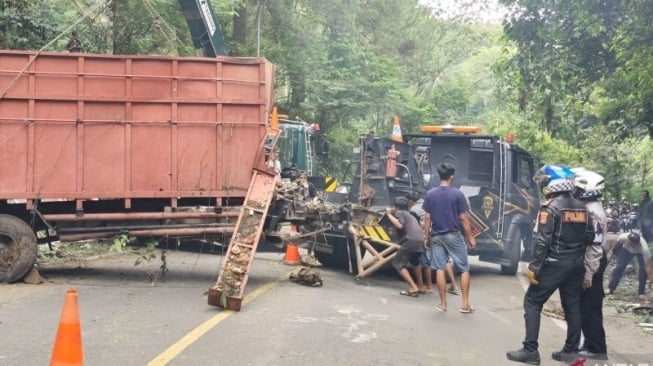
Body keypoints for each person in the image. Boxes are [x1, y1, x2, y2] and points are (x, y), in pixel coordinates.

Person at [507, 164, 594, 365]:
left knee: (532, 302)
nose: (543, 184)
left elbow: (543, 241)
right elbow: (589, 237)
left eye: (546, 181)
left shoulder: (550, 208)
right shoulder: (582, 208)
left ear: (554, 183)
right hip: (576, 265)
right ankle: (570, 351)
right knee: (572, 306)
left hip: (554, 264)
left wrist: (534, 267)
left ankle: (530, 351)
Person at [422, 163, 475, 313]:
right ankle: (464, 305)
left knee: (439, 268)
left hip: (436, 236)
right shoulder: (457, 194)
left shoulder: (431, 194)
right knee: (464, 269)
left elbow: (427, 217)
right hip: (453, 235)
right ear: (452, 176)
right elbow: (463, 217)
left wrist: (426, 236)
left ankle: (443, 304)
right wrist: (470, 237)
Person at [571, 167, 608, 360]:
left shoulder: (592, 212)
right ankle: (591, 342)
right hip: (595, 259)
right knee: (588, 305)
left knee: (589, 306)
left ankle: (596, 347)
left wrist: (588, 273)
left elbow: (594, 246)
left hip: (593, 261)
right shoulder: (592, 208)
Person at [406, 191, 459, 295]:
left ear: (411, 201)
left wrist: (425, 236)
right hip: (443, 233)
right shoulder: (430, 204)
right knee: (445, 261)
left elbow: (419, 223)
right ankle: (453, 285)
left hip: (430, 236)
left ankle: (428, 286)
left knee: (424, 262)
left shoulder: (413, 209)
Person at [385, 196, 424, 297]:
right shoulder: (410, 215)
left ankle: (413, 287)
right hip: (420, 240)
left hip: (410, 240)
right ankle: (420, 286)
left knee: (398, 263)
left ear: (397, 206)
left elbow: (399, 225)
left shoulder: (400, 213)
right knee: (415, 263)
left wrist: (389, 215)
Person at [605, 231, 650, 300]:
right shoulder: (623, 237)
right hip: (626, 250)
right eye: (628, 241)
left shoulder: (644, 248)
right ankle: (611, 288)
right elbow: (614, 248)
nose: (628, 243)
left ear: (636, 244)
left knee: (643, 271)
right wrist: (608, 259)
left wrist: (651, 280)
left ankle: (641, 292)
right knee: (619, 267)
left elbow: (647, 265)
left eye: (630, 243)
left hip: (639, 253)